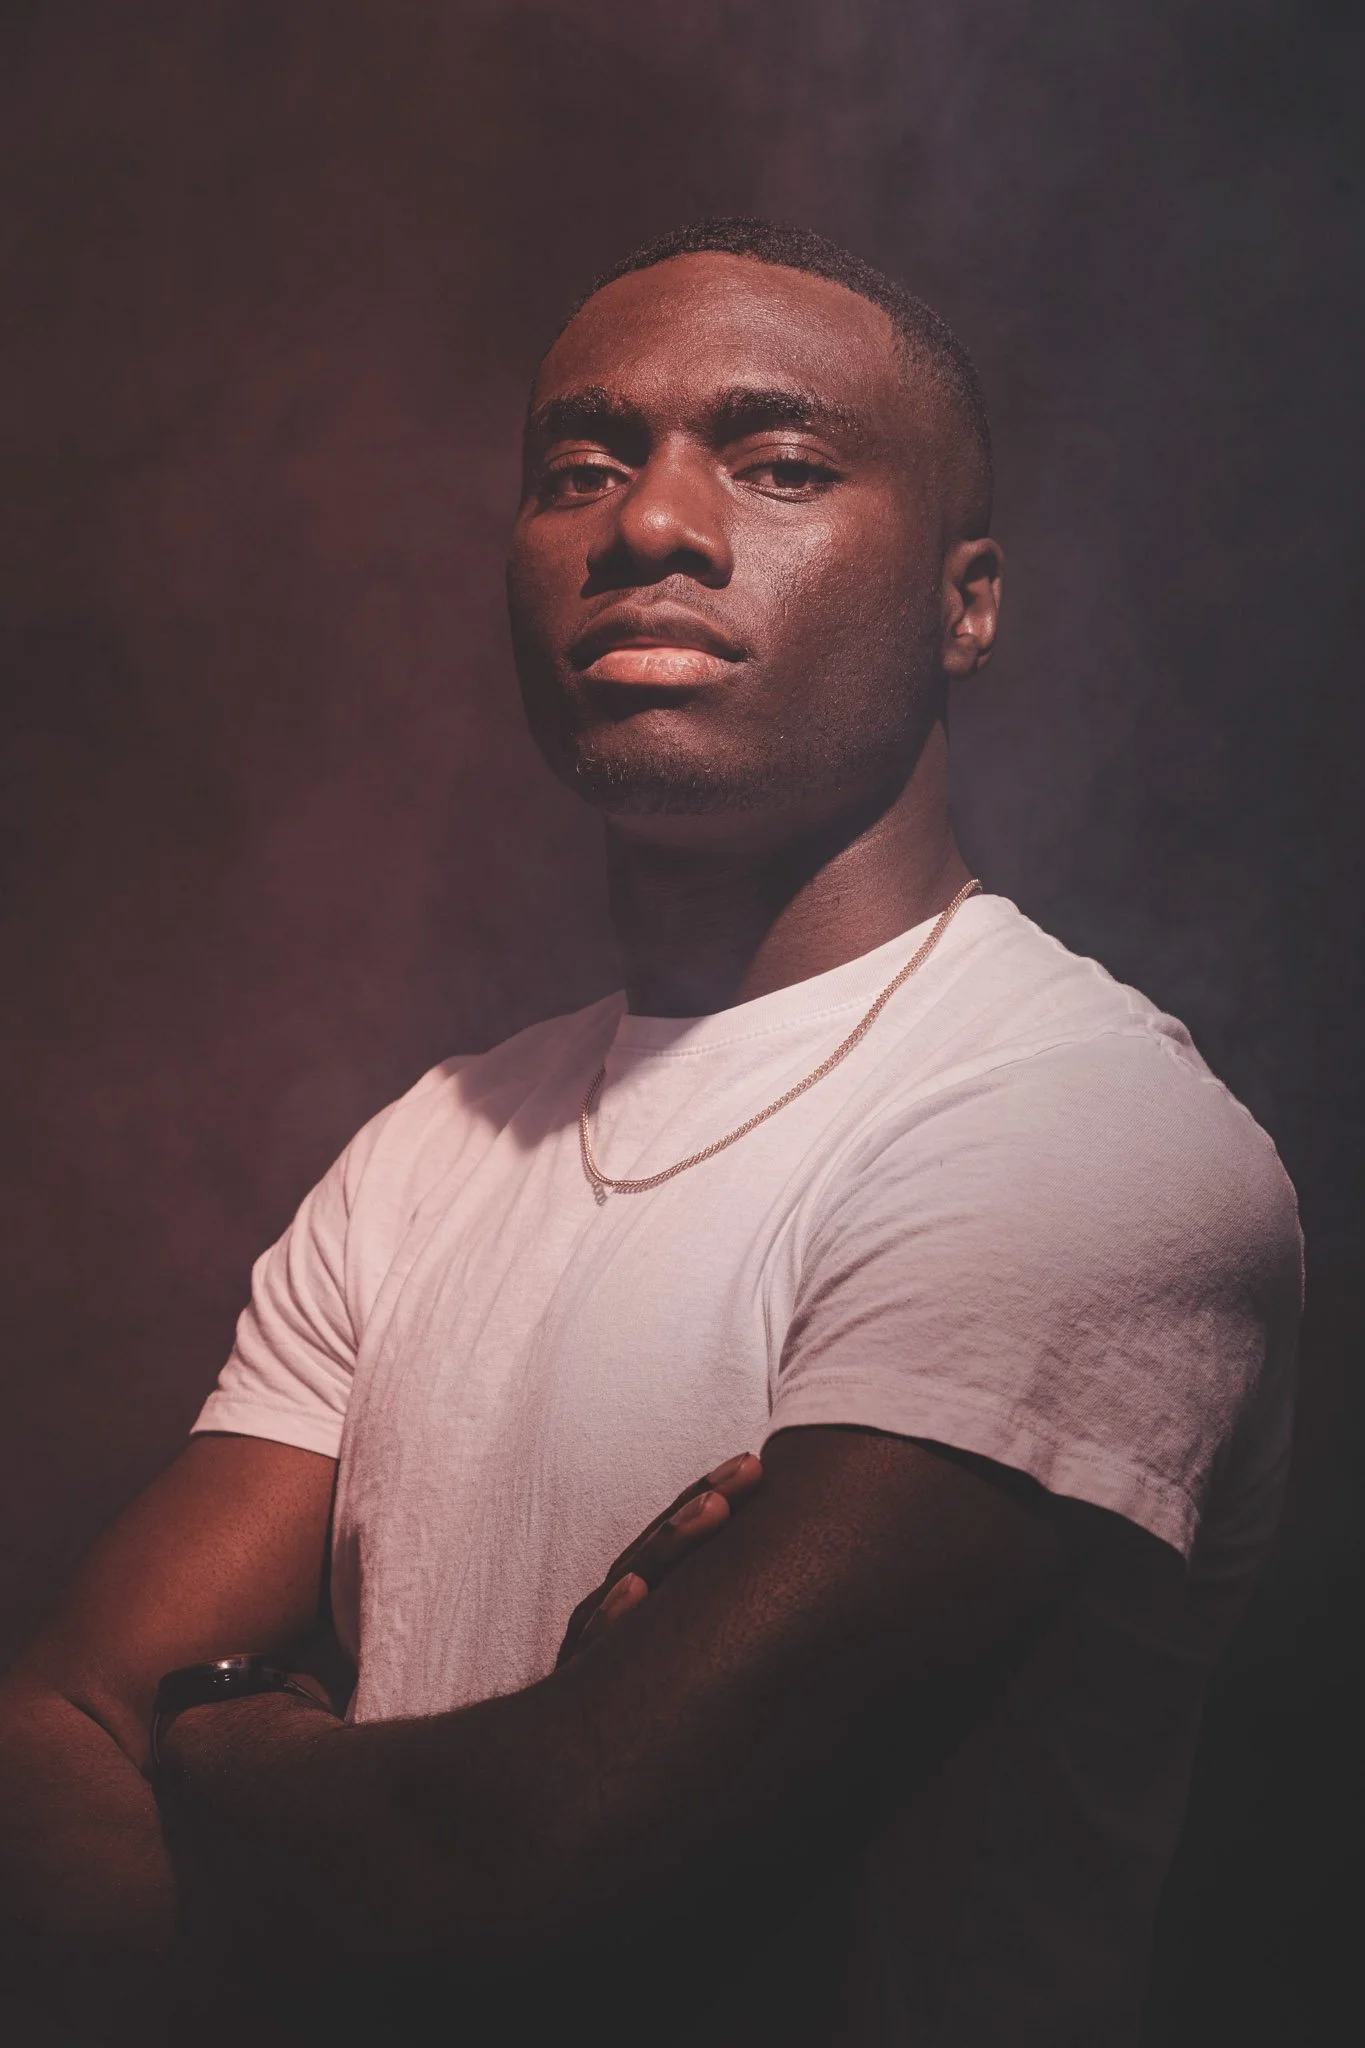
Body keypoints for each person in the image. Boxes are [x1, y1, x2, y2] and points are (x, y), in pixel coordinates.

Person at [0, 219, 1301, 2047]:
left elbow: (537, 1868)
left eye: (778, 466)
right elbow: (45, 1744)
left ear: (965, 603)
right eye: (580, 467)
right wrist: (433, 1824)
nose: (649, 529)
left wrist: (223, 1740)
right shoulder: (428, 1146)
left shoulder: (1076, 1129)